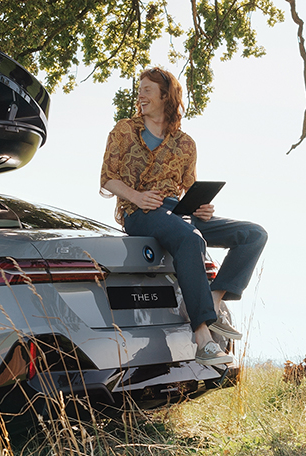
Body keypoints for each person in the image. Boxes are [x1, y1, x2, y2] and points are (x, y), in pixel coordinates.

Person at [99, 67, 267, 367]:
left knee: (253, 235)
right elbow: (107, 179)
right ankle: (203, 339)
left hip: (180, 214)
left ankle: (212, 301)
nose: (141, 95)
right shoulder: (124, 130)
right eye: (140, 89)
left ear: (166, 96)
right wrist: (137, 196)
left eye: (148, 89)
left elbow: (189, 187)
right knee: (190, 239)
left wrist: (203, 208)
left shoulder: (186, 143)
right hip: (141, 212)